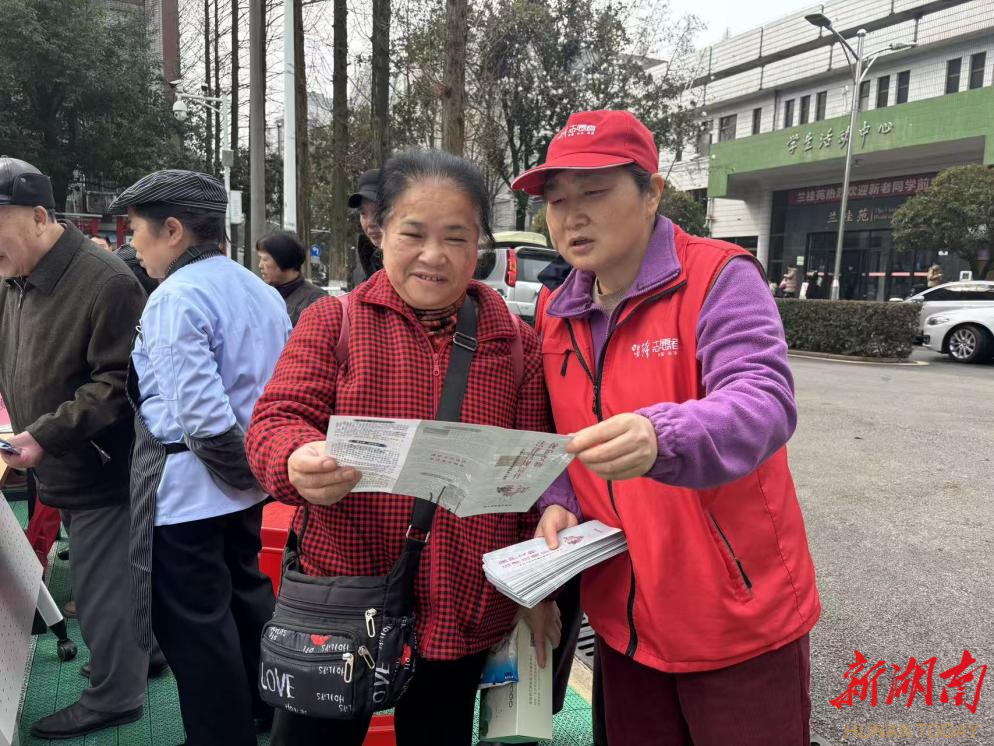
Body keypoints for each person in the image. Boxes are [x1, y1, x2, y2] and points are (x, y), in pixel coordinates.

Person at [513, 110, 820, 746]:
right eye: (557, 200)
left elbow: (763, 398)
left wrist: (662, 436)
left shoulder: (718, 276)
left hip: (735, 621)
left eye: (594, 192)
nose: (572, 217)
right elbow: (561, 436)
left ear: (652, 192)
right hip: (623, 624)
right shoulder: (557, 312)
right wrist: (558, 499)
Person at [246, 149, 568, 746]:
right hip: (346, 594)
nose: (434, 255)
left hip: (463, 604)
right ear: (380, 232)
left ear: (479, 244)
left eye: (456, 237)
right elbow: (277, 418)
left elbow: (531, 474)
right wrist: (296, 458)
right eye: (413, 234)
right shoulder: (334, 322)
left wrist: (536, 591)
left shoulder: (515, 344)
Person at [110, 170, 291, 746]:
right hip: (246, 481)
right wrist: (256, 475)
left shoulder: (176, 297)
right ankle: (267, 711)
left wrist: (240, 471)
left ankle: (221, 735)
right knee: (244, 600)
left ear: (173, 230)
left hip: (190, 490)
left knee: (196, 627)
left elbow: (203, 420)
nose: (133, 245)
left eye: (136, 230)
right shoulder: (257, 289)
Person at [0, 157, 152, 739]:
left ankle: (117, 695)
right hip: (54, 459)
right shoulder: (15, 278)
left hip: (101, 467)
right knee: (107, 581)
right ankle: (140, 656)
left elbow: (118, 385)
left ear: (40, 217)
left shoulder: (106, 280)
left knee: (101, 587)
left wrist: (45, 433)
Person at [257, 230, 326, 325]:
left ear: (284, 259)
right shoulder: (262, 295)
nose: (260, 265)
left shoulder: (316, 301)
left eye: (265, 259)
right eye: (260, 259)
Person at [348, 168, 384, 287]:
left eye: (378, 212)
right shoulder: (362, 267)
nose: (370, 223)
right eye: (363, 213)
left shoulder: (419, 263)